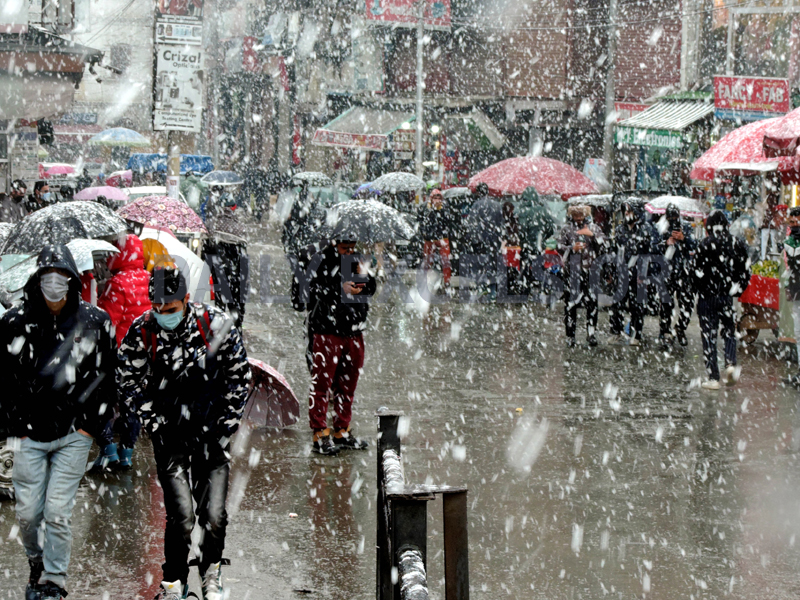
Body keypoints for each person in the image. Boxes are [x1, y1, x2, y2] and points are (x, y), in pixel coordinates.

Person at [117, 267, 250, 600]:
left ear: (186, 300)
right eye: (157, 309)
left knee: (215, 515)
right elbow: (125, 379)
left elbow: (240, 377)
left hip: (212, 435)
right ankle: (173, 582)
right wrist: (154, 421)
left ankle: (211, 572)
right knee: (181, 517)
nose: (163, 316)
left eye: (171, 309)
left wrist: (226, 427)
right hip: (170, 437)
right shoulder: (143, 329)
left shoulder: (215, 325)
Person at [0, 244, 115, 600]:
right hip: (28, 436)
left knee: (58, 512)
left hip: (73, 435)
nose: (55, 284)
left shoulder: (94, 321)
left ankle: (54, 581)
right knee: (30, 513)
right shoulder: (15, 323)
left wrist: (91, 427)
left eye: (62, 276)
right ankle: (37, 561)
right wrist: (12, 427)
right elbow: (4, 380)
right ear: (37, 280)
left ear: (72, 280)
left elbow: (107, 376)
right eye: (48, 276)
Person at [306, 240, 377, 455]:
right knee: (322, 383)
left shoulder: (357, 260)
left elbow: (370, 290)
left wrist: (365, 276)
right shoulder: (319, 259)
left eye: (352, 246)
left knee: (348, 384)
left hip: (354, 329)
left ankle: (341, 430)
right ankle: (319, 432)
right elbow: (307, 289)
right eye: (345, 247)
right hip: (327, 330)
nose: (350, 250)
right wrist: (339, 289)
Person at [91, 233, 151, 472]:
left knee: (102, 401)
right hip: (143, 352)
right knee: (132, 405)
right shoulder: (149, 278)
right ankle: (127, 452)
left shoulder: (118, 283)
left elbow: (107, 320)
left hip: (119, 352)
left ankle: (108, 449)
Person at [693, 210, 751, 390]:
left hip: (707, 297)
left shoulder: (703, 245)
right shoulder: (736, 243)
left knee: (708, 335)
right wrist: (737, 289)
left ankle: (713, 377)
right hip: (726, 295)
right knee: (729, 331)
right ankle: (730, 363)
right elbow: (745, 270)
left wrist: (698, 289)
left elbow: (694, 272)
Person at [609, 200, 658, 346]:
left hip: (639, 274)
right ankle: (616, 331)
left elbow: (653, 254)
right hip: (622, 273)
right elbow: (614, 251)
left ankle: (636, 333)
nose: (626, 213)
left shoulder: (647, 229)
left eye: (629, 211)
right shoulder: (620, 230)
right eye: (625, 210)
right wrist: (611, 271)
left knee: (638, 305)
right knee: (617, 303)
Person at [558, 204, 605, 347]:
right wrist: (572, 248)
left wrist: (592, 236)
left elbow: (604, 247)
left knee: (592, 304)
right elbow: (559, 247)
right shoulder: (567, 229)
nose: (578, 218)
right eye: (575, 215)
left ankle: (591, 333)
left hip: (591, 271)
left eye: (581, 215)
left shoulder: (594, 227)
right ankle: (570, 335)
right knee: (570, 305)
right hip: (573, 271)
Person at [657, 204, 697, 347]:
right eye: (670, 218)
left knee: (687, 303)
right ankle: (664, 331)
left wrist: (683, 238)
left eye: (675, 217)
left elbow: (694, 245)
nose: (673, 220)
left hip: (683, 271)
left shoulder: (686, 226)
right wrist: (665, 242)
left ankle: (680, 328)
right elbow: (653, 246)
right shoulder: (661, 227)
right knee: (666, 304)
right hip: (666, 271)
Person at [421, 189, 452, 287]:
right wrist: (431, 210)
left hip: (442, 238)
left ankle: (447, 281)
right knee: (427, 261)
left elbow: (448, 221)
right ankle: (424, 280)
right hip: (429, 239)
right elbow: (422, 221)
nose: (437, 200)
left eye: (439, 198)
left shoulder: (445, 208)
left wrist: (441, 210)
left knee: (446, 261)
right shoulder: (425, 208)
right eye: (435, 198)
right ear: (431, 199)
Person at [783, 207, 800, 385]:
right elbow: (791, 267)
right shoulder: (791, 240)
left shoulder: (792, 242)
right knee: (798, 332)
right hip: (797, 290)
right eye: (792, 222)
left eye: (797, 222)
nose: (794, 226)